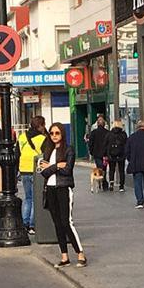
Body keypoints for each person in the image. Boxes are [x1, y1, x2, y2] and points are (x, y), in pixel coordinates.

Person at [39, 122, 87, 268]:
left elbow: (67, 170)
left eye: (57, 133)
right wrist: (56, 166)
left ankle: (80, 253)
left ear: (62, 134)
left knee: (66, 222)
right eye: (52, 133)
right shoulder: (49, 150)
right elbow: (43, 172)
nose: (54, 136)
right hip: (50, 189)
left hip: (63, 188)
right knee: (57, 223)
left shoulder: (68, 150)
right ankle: (64, 256)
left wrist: (52, 167)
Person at [17, 116, 47, 235]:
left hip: (24, 169)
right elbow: (45, 155)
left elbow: (18, 152)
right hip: (36, 170)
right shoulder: (42, 138)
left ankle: (25, 223)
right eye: (43, 125)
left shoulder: (22, 137)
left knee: (28, 197)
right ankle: (32, 225)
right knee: (36, 199)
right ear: (40, 126)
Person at [104, 119, 128, 192]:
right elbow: (126, 144)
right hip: (121, 155)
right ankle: (121, 186)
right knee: (121, 171)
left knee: (112, 170)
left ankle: (111, 184)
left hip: (111, 155)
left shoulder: (109, 134)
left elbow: (105, 144)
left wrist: (106, 154)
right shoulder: (123, 134)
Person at [87, 115, 110, 191]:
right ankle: (104, 183)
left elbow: (90, 143)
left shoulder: (93, 133)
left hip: (97, 154)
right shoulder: (107, 133)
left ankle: (100, 182)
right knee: (104, 168)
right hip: (105, 154)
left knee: (99, 168)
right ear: (104, 124)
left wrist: (91, 152)